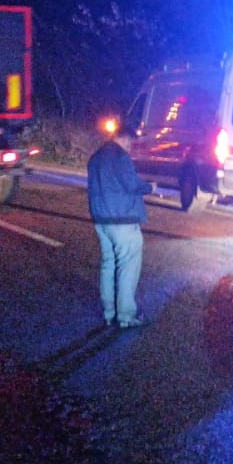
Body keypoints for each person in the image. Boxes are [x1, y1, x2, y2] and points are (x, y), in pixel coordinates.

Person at [87, 124, 155, 328]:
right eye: (131, 143)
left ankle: (109, 312)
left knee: (108, 265)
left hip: (101, 220)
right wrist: (150, 186)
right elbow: (132, 184)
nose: (131, 148)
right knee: (128, 266)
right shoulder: (119, 156)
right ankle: (126, 315)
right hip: (122, 220)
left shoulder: (96, 157)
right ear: (126, 139)